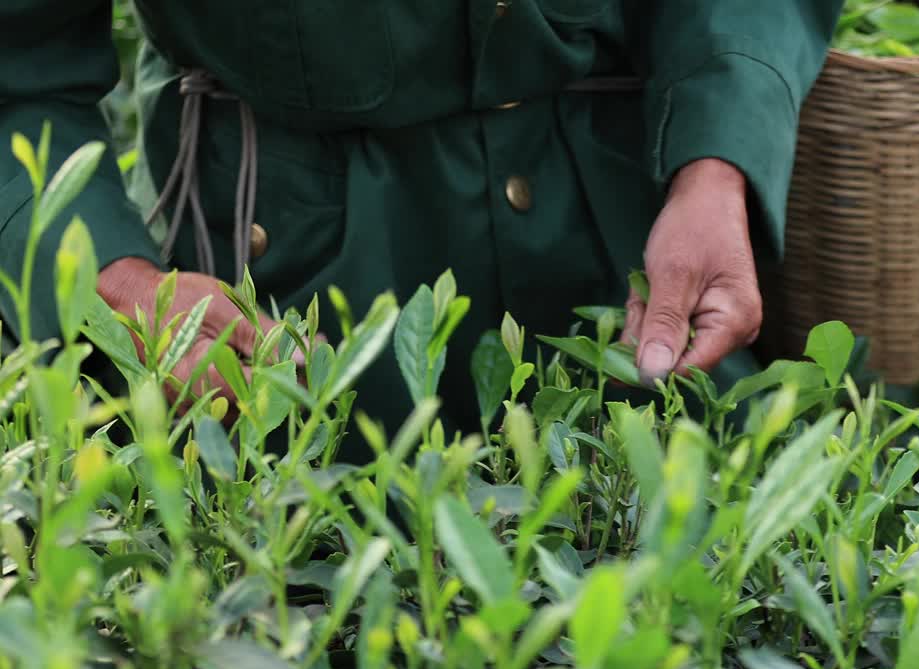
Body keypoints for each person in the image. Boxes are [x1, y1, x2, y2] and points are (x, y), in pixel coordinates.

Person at [0, 1, 842, 445]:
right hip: (283, 336)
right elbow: (18, 75)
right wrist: (119, 283)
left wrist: (716, 166)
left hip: (628, 279)